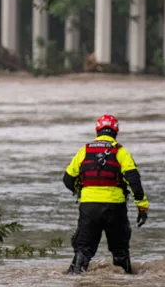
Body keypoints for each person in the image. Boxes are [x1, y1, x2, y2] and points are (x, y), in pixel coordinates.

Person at [63, 114, 149, 275]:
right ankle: (125, 285)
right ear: (115, 132)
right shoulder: (121, 152)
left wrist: (80, 190)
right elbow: (134, 181)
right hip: (115, 207)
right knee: (120, 250)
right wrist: (142, 207)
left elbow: (67, 179)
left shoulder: (84, 151)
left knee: (83, 250)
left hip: (89, 207)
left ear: (97, 131)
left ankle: (74, 285)